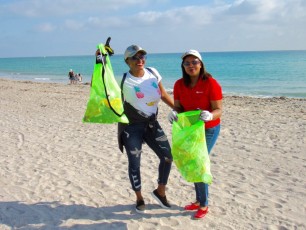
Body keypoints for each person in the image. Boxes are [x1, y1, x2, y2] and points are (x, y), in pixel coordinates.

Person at [117, 45, 174, 213]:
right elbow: (99, 83)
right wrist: (100, 60)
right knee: (135, 164)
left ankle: (160, 191)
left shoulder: (153, 73)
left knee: (167, 157)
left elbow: (163, 94)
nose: (140, 60)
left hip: (152, 124)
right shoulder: (123, 80)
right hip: (131, 127)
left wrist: (178, 110)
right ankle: (139, 198)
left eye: (143, 56)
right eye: (135, 57)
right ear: (127, 61)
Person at [168, 49, 222, 219]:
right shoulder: (179, 84)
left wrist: (210, 115)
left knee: (199, 163)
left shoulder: (211, 83)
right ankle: (199, 201)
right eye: (187, 63)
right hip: (189, 129)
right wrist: (174, 113)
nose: (191, 66)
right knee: (193, 162)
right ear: (183, 66)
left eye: (194, 62)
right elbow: (178, 107)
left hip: (209, 128)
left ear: (201, 64)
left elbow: (219, 109)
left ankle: (204, 204)